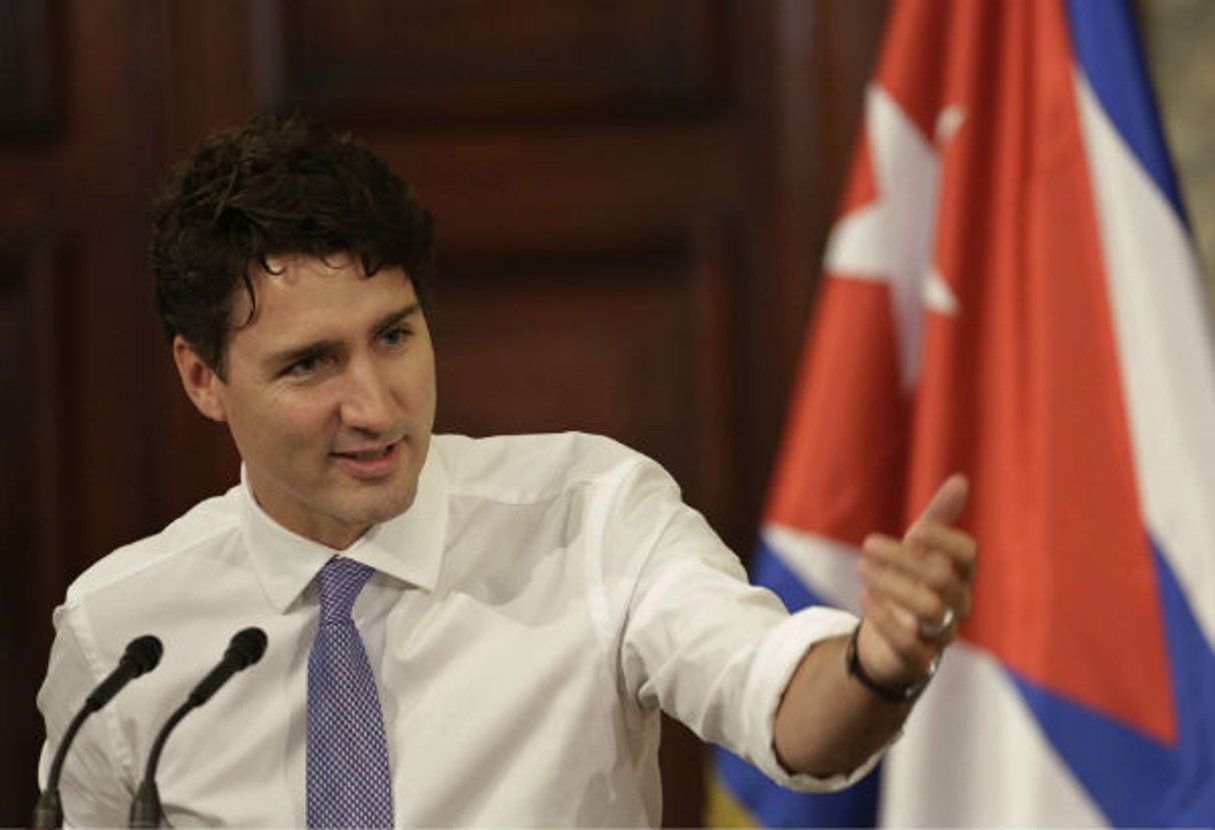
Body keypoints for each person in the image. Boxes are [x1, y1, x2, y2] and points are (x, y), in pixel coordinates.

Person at [36, 114, 977, 828]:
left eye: (394, 337)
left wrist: (875, 667)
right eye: (310, 364)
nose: (375, 405)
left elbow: (779, 708)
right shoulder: (122, 640)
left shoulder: (593, 517)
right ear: (203, 378)